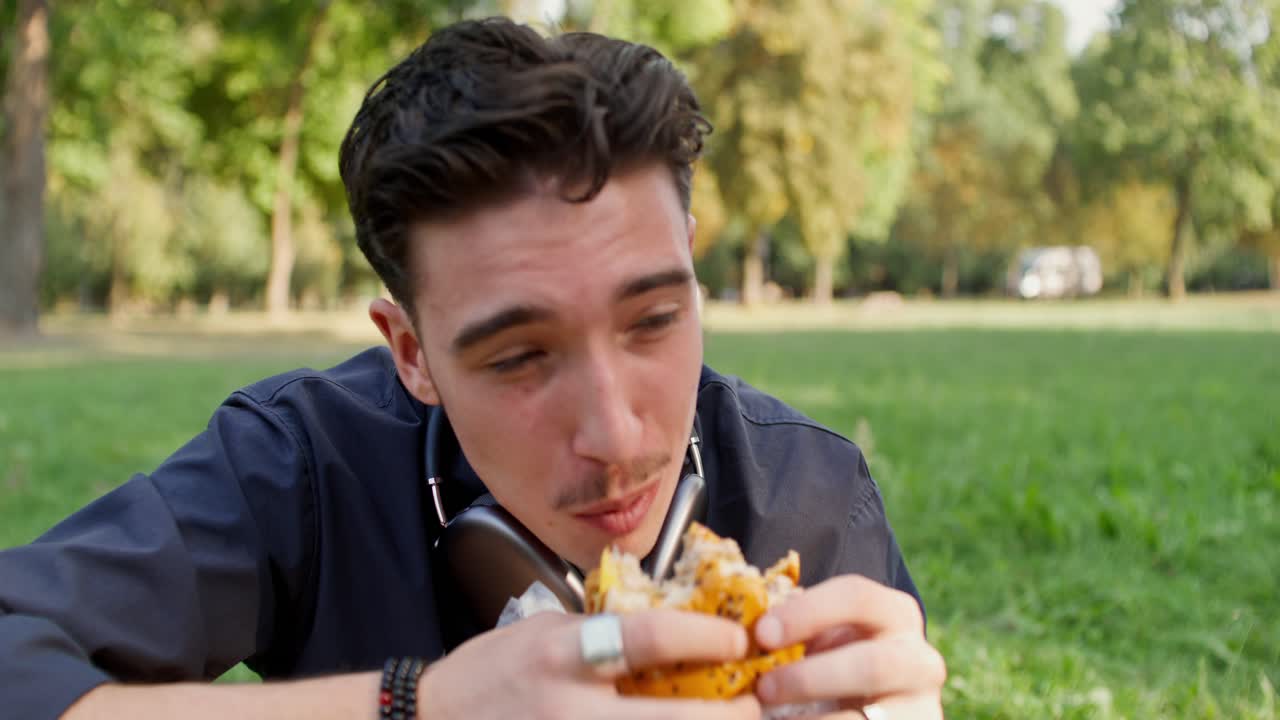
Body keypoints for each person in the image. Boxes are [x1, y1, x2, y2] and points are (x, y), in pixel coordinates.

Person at [0, 17, 944, 720]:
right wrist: (419, 702)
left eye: (654, 319)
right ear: (410, 351)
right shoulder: (302, 464)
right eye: (521, 356)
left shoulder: (810, 496)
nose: (616, 434)